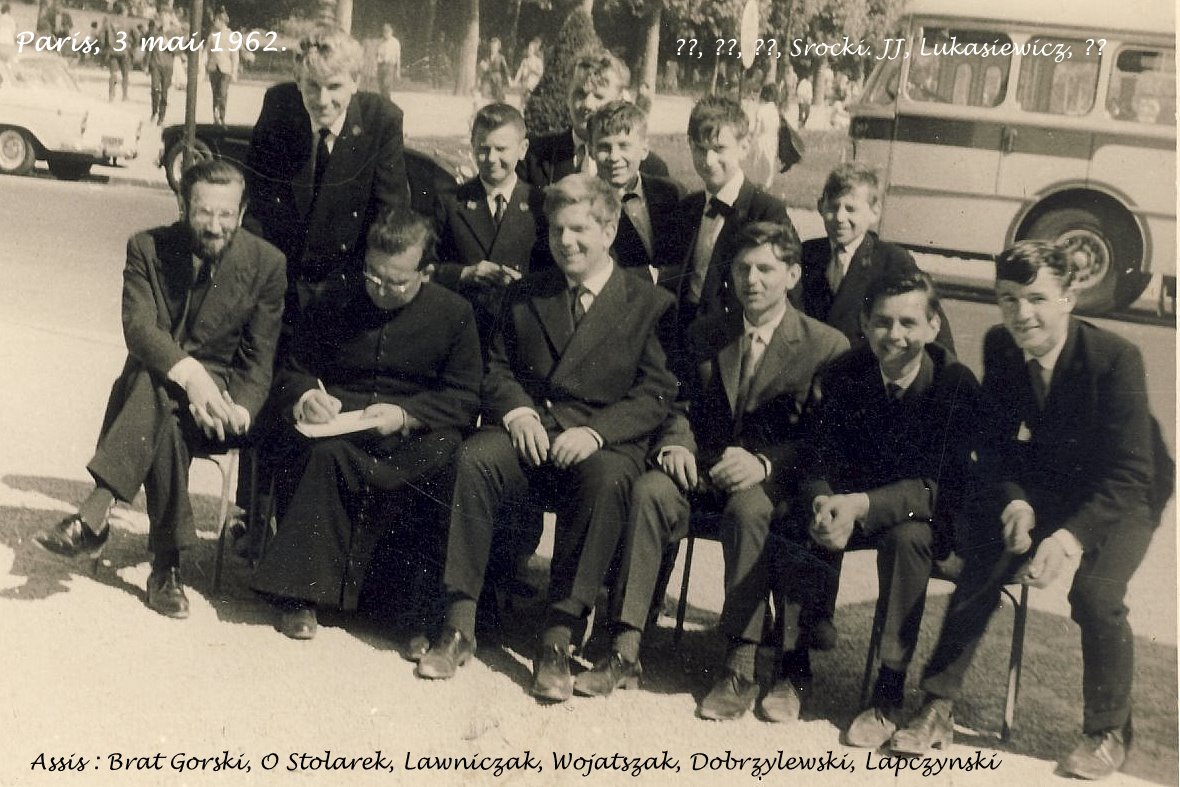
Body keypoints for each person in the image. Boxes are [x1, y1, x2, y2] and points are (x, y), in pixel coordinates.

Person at [890, 240, 1171, 780]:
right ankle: (937, 705)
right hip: (1051, 484)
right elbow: (995, 445)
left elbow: (1133, 472)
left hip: (1127, 492)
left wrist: (1067, 539)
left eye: (1038, 298)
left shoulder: (1115, 359)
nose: (1022, 314)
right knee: (987, 553)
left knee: (1096, 593)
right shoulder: (1001, 345)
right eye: (1008, 299)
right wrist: (1016, 501)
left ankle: (1108, 731)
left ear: (1069, 297)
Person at [415, 174, 678, 703]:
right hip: (533, 434)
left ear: (608, 231)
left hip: (599, 446)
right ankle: (460, 620)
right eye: (557, 230)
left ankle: (558, 636)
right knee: (475, 457)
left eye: (580, 230)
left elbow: (656, 391)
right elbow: (496, 367)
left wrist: (597, 433)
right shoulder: (526, 292)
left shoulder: (648, 302)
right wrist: (517, 413)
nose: (566, 242)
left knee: (607, 481)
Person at [575, 222, 848, 721]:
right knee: (651, 491)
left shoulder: (824, 345)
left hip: (768, 484)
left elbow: (822, 439)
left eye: (766, 269)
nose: (753, 280)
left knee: (749, 512)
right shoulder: (708, 333)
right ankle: (625, 648)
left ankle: (741, 665)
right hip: (700, 469)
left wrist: (765, 463)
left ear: (791, 274)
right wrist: (676, 443)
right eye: (743, 268)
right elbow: (675, 399)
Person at [33, 160, 286, 619]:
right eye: (204, 212)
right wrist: (191, 379)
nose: (214, 226)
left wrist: (239, 410)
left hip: (223, 401)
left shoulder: (267, 264)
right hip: (165, 385)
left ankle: (97, 514)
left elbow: (258, 359)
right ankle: (165, 568)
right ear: (182, 205)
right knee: (158, 390)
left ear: (243, 210)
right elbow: (139, 329)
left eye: (226, 214)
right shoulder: (147, 247)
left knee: (150, 389)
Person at [250, 210, 481, 641]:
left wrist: (406, 416)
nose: (379, 290)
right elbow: (293, 368)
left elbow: (465, 397)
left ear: (426, 273)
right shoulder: (334, 297)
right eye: (372, 276)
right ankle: (301, 596)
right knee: (319, 453)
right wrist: (306, 397)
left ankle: (405, 612)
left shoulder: (455, 314)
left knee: (445, 462)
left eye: (396, 282)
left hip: (416, 429)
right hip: (342, 425)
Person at [772, 266, 980, 741]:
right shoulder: (844, 372)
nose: (895, 335)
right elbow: (818, 454)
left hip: (918, 511)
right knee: (798, 519)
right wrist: (825, 501)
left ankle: (887, 693)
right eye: (883, 322)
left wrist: (861, 505)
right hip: (850, 503)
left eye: (909, 323)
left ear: (933, 327)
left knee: (908, 542)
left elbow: (939, 486)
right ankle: (793, 666)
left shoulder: (954, 384)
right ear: (864, 324)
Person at [245, 24, 410, 311]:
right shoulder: (279, 105)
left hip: (347, 282)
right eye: (312, 86)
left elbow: (390, 213)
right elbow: (259, 199)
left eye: (334, 87)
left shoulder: (382, 119)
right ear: (298, 80)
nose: (322, 101)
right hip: (280, 278)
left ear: (355, 82)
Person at [659, 94, 790, 329]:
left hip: (733, 334)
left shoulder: (766, 211)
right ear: (690, 145)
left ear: (744, 147)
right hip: (684, 327)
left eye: (719, 149)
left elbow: (783, 293)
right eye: (701, 148)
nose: (709, 160)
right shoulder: (688, 207)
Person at [795, 163, 955, 353]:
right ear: (820, 206)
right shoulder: (805, 253)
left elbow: (933, 326)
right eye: (833, 206)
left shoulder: (892, 261)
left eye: (850, 209)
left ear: (875, 212)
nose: (840, 217)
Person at [431, 102, 551, 353]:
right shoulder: (451, 202)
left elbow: (556, 271)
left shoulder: (542, 204)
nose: (492, 159)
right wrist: (465, 274)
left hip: (524, 333)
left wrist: (525, 283)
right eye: (483, 149)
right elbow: (425, 267)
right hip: (465, 332)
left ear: (522, 149)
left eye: (501, 149)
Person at [520, 51, 668, 188]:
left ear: (619, 99)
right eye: (579, 94)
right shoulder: (535, 157)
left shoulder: (650, 167)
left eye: (598, 96)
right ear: (567, 96)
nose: (587, 105)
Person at [587, 100, 681, 275]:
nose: (614, 157)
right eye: (604, 147)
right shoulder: (585, 203)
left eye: (624, 146)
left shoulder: (671, 194)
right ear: (590, 151)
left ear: (644, 149)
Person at [146, 0, 183, 126]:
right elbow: (149, 49)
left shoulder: (175, 33)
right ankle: (154, 111)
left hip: (167, 66)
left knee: (165, 92)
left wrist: (169, 46)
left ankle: (161, 116)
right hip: (156, 64)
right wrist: (146, 65)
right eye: (162, 15)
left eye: (166, 15)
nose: (163, 17)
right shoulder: (155, 32)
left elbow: (179, 50)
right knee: (154, 88)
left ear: (170, 17)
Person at [205, 9, 238, 127]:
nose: (214, 23)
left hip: (225, 69)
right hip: (214, 68)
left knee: (223, 93)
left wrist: (234, 72)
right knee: (215, 94)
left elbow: (235, 55)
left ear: (222, 21)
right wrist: (205, 66)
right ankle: (215, 117)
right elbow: (207, 52)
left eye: (216, 21)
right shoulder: (212, 36)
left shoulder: (231, 36)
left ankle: (222, 117)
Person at [747, 84, 780, 190]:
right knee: (769, 166)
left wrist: (751, 142)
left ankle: (758, 188)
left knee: (758, 166)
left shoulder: (761, 110)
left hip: (761, 141)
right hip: (773, 140)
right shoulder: (775, 111)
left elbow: (757, 130)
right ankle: (766, 187)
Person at [101, 3, 133, 103]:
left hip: (112, 51)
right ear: (123, 12)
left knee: (113, 74)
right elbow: (136, 35)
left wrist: (105, 47)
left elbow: (101, 36)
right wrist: (131, 46)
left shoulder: (108, 21)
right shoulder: (127, 22)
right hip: (124, 51)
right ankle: (124, 95)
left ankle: (111, 95)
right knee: (125, 74)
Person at [477, 37, 510, 103]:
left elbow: (505, 68)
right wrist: (479, 78)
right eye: (492, 46)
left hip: (497, 79)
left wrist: (509, 78)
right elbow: (481, 69)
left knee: (498, 96)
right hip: (488, 78)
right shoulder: (486, 58)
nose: (493, 48)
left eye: (495, 46)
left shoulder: (501, 57)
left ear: (498, 48)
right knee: (484, 94)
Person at [375, 23, 401, 98]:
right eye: (384, 32)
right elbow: (377, 55)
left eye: (388, 31)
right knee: (381, 86)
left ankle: (387, 102)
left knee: (387, 85)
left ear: (391, 32)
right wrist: (376, 67)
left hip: (389, 66)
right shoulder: (380, 42)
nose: (386, 34)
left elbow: (398, 57)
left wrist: (398, 70)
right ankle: (383, 103)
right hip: (380, 65)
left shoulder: (395, 42)